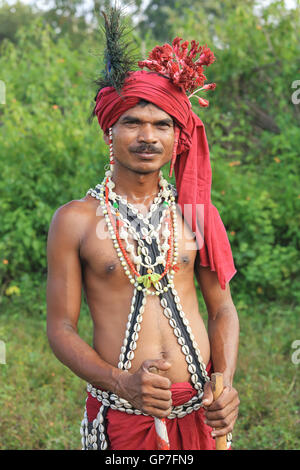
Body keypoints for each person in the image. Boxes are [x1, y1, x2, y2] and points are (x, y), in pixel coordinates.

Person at [46, 12, 239, 451]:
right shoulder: (75, 219)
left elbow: (223, 309)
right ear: (109, 131)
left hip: (199, 413)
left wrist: (223, 383)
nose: (147, 136)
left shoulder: (196, 213)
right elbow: (60, 327)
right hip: (122, 411)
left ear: (177, 137)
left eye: (162, 125)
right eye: (133, 122)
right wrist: (121, 383)